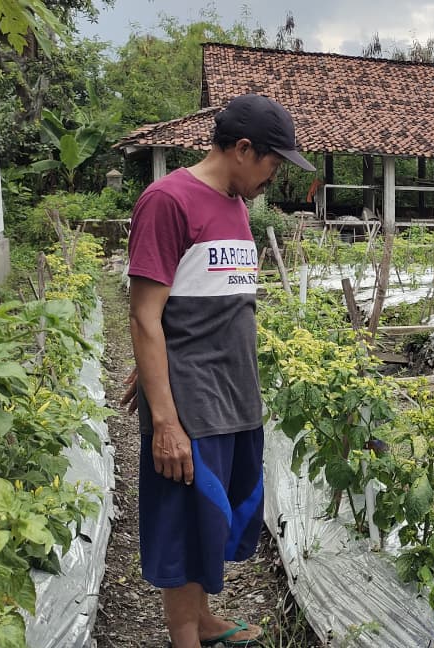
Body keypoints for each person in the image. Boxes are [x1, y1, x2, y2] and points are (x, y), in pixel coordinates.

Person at [123, 94, 315, 648]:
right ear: (242, 148)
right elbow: (143, 315)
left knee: (215, 520)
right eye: (272, 164)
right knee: (185, 525)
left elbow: (205, 300)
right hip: (192, 405)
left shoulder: (234, 204)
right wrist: (164, 419)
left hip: (236, 393)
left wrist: (149, 362)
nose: (272, 177)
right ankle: (185, 635)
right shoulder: (166, 202)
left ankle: (204, 619)